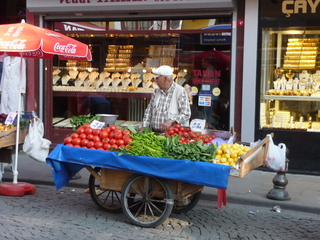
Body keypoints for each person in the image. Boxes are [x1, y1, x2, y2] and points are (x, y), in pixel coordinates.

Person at [141, 65, 191, 133]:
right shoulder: (156, 91)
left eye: (157, 78)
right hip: (154, 133)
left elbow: (186, 114)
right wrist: (144, 126)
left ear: (165, 78)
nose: (155, 80)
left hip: (171, 135)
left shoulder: (180, 91)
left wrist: (171, 120)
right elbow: (149, 111)